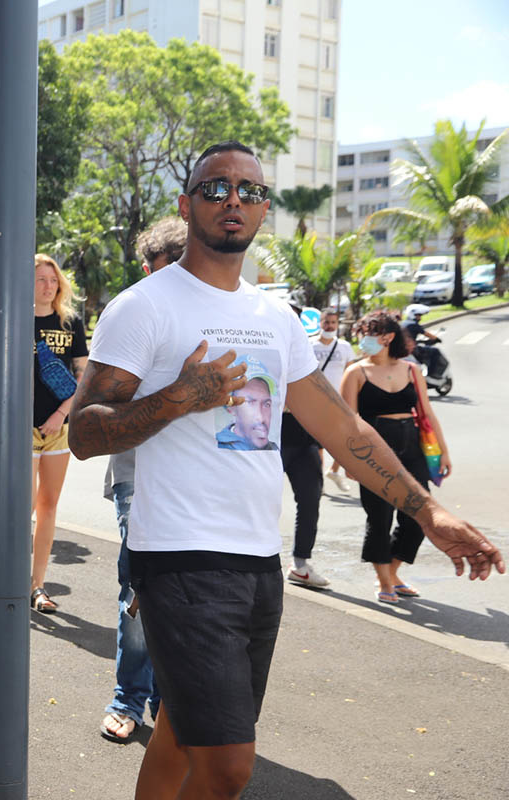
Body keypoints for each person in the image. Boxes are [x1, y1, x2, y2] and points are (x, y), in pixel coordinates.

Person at [69, 141, 502, 800]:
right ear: (187, 205)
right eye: (215, 188)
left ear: (265, 208)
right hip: (181, 558)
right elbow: (84, 431)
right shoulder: (147, 306)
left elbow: (342, 428)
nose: (233, 200)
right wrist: (180, 397)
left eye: (249, 189)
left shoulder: (273, 316)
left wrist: (428, 511)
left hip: (255, 559)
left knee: (182, 737)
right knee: (228, 764)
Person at [99, 215, 184, 743]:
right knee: (139, 591)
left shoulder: (215, 311)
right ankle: (129, 696)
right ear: (148, 267)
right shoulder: (133, 311)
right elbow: (102, 409)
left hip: (198, 481)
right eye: (165, 268)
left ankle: (162, 697)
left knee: (183, 594)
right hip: (138, 473)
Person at [341, 310, 453, 603]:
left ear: (387, 337)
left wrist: (442, 452)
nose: (361, 340)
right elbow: (347, 421)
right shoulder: (355, 372)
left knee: (418, 517)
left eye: (366, 334)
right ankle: (384, 581)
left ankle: (392, 571)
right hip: (373, 452)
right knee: (379, 518)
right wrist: (347, 461)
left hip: (412, 448)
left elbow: (427, 413)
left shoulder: (411, 370)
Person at [29, 254, 88, 613]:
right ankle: (13, 580)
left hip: (58, 428)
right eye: (40, 279)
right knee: (21, 510)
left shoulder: (71, 323)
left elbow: (83, 376)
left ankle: (38, 586)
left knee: (47, 507)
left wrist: (61, 414)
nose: (48, 285)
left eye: (53, 279)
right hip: (21, 428)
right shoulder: (16, 320)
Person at [282, 306, 355, 589]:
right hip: (268, 438)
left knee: (311, 499)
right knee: (256, 501)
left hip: (304, 438)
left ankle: (300, 564)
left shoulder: (306, 351)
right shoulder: (264, 346)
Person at [316, 308, 356, 492]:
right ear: (320, 323)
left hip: (340, 403)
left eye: (333, 322)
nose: (329, 326)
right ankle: (318, 480)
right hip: (316, 402)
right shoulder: (309, 346)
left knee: (344, 441)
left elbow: (351, 374)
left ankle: (333, 471)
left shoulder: (345, 347)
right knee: (317, 445)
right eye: (326, 322)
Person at [213, 357, 278, 451]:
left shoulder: (274, 448)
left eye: (266, 404)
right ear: (230, 407)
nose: (261, 417)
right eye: (250, 402)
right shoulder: (215, 445)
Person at [402, 303, 444, 377]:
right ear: (413, 315)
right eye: (418, 315)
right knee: (434, 352)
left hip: (403, 349)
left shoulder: (403, 323)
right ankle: (432, 375)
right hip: (411, 350)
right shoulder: (414, 325)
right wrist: (437, 339)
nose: (420, 318)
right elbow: (427, 334)